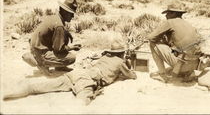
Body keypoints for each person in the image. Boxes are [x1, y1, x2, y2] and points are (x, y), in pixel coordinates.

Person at [3, 41, 137, 105]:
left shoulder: (104, 57)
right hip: (87, 80)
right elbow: (132, 76)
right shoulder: (120, 62)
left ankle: (12, 93)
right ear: (121, 53)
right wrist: (128, 63)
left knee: (40, 87)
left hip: (77, 74)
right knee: (81, 102)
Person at [22, 0, 82, 75]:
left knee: (65, 35)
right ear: (64, 11)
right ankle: (40, 62)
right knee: (71, 58)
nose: (73, 16)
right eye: (71, 13)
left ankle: (57, 66)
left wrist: (65, 33)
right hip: (40, 52)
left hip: (35, 47)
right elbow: (58, 50)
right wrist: (72, 47)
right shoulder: (59, 26)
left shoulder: (54, 17)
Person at [147, 8, 207, 83]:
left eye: (168, 13)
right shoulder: (187, 23)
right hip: (194, 65)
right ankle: (187, 73)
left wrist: (160, 40)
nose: (166, 15)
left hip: (181, 65)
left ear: (174, 14)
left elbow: (150, 37)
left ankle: (162, 74)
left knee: (153, 43)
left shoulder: (170, 22)